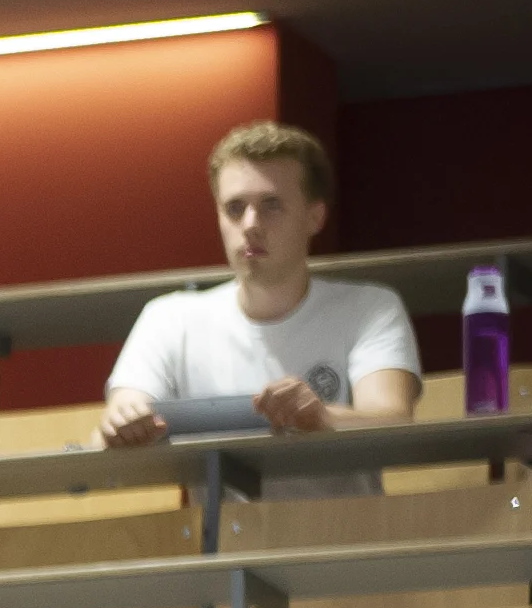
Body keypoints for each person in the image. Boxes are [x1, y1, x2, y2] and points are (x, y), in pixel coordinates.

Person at [99, 124, 421, 499]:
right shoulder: (168, 318)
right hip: (222, 548)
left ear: (315, 217)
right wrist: (124, 421)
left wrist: (322, 418)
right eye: (235, 208)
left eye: (271, 205)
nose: (250, 225)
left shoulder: (369, 307)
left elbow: (393, 420)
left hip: (343, 543)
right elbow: (123, 409)